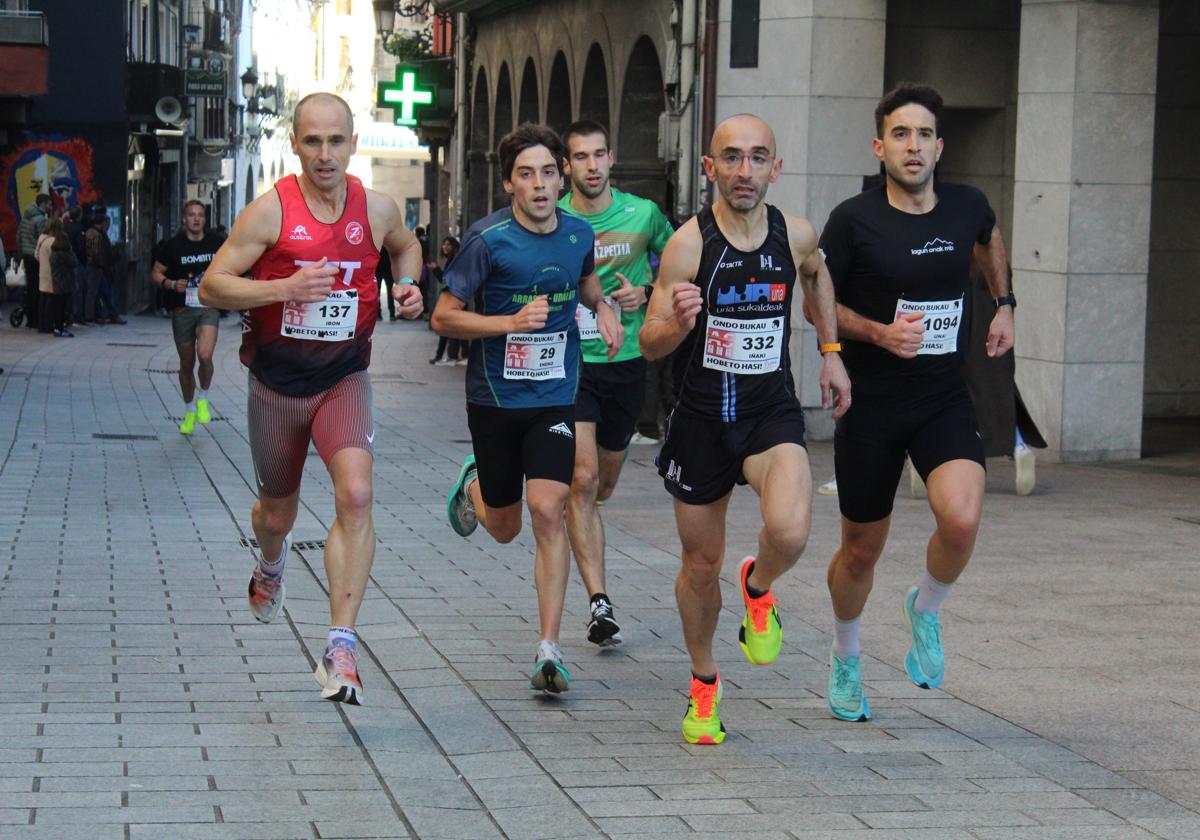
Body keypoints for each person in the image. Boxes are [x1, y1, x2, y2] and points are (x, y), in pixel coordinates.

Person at [201, 92, 424, 706]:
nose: (325, 154)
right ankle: (271, 564)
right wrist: (284, 288)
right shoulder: (270, 213)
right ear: (295, 144)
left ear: (354, 143)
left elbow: (405, 246)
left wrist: (406, 284)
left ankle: (341, 644)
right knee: (277, 514)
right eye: (312, 141)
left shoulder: (377, 208)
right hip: (276, 383)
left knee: (356, 492)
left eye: (336, 141)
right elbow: (212, 283)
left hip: (343, 376)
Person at [639, 114, 850, 744]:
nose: (744, 171)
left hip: (768, 413)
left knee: (790, 529)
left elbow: (815, 274)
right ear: (710, 169)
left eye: (758, 158)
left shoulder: (797, 234)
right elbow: (648, 343)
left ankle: (758, 586)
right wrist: (674, 323)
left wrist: (833, 350)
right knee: (700, 566)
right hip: (701, 420)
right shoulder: (688, 245)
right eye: (731, 158)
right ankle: (704, 685)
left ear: (775, 168)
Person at [817, 83, 1013, 723]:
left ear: (939, 146)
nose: (912, 145)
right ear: (880, 146)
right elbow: (818, 300)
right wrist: (875, 334)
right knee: (860, 550)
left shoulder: (966, 206)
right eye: (900, 134)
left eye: (923, 134)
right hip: (871, 403)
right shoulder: (854, 219)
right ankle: (847, 658)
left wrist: (1003, 303)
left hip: (941, 397)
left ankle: (925, 607)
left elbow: (987, 237)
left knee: (960, 519)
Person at [436, 123, 622, 694]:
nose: (539, 185)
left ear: (561, 175)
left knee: (549, 508)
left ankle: (549, 649)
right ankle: (475, 490)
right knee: (503, 525)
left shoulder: (577, 233)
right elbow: (444, 317)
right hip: (494, 399)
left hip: (554, 397)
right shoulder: (487, 241)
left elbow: (585, 281)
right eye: (526, 174)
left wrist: (605, 306)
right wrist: (507, 324)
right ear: (509, 183)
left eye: (548, 172)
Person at [557, 119, 675, 646]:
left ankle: (584, 524)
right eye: (580, 157)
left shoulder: (643, 214)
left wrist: (646, 290)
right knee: (581, 481)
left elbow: (680, 265)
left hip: (626, 363)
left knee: (602, 485)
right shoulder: (552, 217)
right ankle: (598, 601)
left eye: (599, 155)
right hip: (570, 360)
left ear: (611, 159)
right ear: (567, 166)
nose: (591, 166)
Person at [152, 200, 226, 434]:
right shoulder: (172, 246)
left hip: (207, 307)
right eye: (192, 215)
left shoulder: (216, 242)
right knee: (187, 363)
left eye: (200, 215)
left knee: (204, 355)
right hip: (182, 310)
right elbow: (155, 273)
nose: (196, 219)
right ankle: (189, 409)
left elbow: (232, 264)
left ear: (205, 219)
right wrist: (171, 284)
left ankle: (203, 397)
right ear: (184, 219)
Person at [83, 213, 126, 325]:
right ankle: (92, 316)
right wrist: (102, 263)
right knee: (96, 292)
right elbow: (95, 252)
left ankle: (107, 314)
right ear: (103, 223)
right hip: (97, 267)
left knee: (103, 292)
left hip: (99, 266)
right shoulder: (95, 234)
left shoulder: (98, 233)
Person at [18, 193, 52, 329]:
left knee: (30, 288)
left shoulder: (25, 217)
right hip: (36, 257)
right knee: (38, 288)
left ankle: (30, 319)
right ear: (43, 204)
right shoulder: (40, 219)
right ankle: (36, 318)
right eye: (49, 204)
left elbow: (18, 235)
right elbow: (42, 239)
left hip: (26, 255)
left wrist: (20, 252)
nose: (50, 207)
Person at [429, 236, 464, 365]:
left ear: (454, 246)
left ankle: (449, 355)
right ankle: (446, 355)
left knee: (448, 328)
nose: (445, 247)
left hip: (454, 298)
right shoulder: (452, 259)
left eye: (448, 245)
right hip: (453, 297)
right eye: (444, 244)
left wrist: (436, 270)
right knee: (450, 328)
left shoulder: (455, 260)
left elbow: (447, 280)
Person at [36, 216, 73, 337]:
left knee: (43, 299)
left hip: (43, 272)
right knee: (52, 302)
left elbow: (36, 255)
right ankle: (49, 325)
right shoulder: (54, 241)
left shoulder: (42, 239)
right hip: (53, 274)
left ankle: (42, 325)